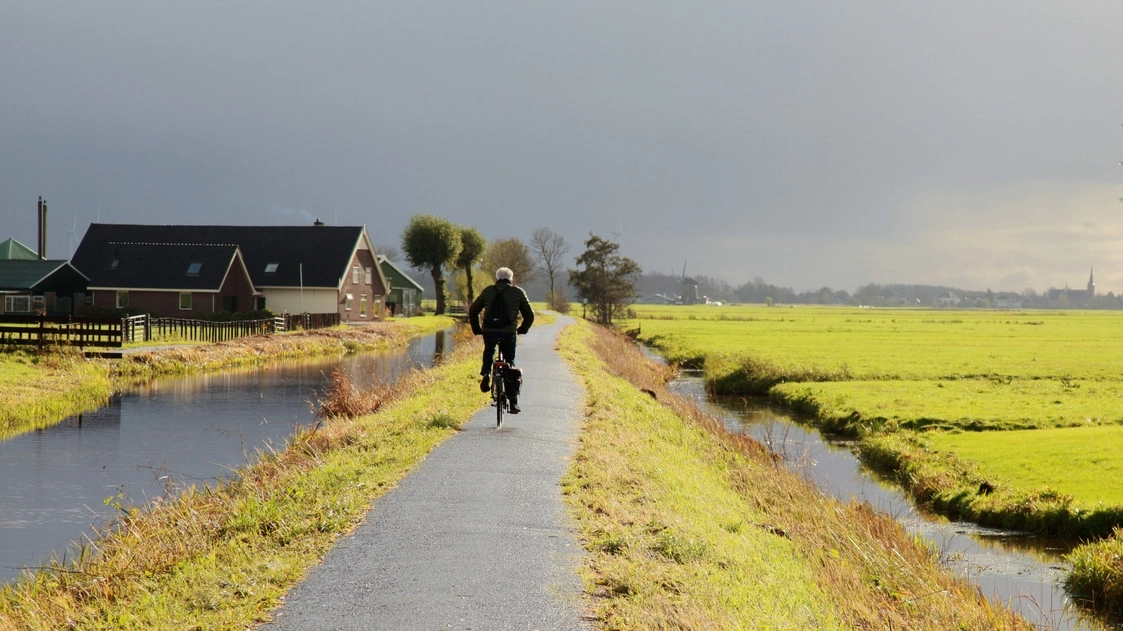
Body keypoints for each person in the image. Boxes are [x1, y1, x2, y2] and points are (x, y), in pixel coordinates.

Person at [469, 267, 534, 413]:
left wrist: (477, 329)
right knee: (509, 362)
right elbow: (529, 315)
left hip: (489, 331)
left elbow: (473, 310)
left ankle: (486, 373)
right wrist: (523, 328)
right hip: (508, 333)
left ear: (496, 279)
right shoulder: (518, 292)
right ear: (512, 279)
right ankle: (513, 402)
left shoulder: (488, 291)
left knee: (489, 350)